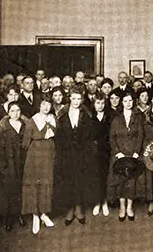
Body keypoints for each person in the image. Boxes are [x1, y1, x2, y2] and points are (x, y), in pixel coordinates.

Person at [56, 89, 96, 226]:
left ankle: (79, 209)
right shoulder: (62, 117)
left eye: (79, 99)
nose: (76, 102)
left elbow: (90, 137)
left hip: (81, 155)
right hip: (67, 156)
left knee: (80, 181)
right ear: (70, 99)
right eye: (74, 99)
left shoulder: (86, 116)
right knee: (68, 182)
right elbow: (59, 139)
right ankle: (69, 209)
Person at [21, 94, 56, 234]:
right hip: (35, 155)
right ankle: (35, 214)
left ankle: (44, 213)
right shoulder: (33, 120)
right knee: (34, 184)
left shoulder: (53, 118)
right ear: (39, 106)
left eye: (48, 104)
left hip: (49, 153)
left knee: (47, 183)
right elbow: (25, 143)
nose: (46, 107)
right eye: (43, 104)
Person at [108, 92, 145, 221]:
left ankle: (129, 207)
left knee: (131, 182)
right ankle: (122, 207)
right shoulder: (116, 118)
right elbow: (112, 137)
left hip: (133, 154)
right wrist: (118, 152)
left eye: (130, 101)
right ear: (121, 103)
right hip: (119, 155)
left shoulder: (138, 117)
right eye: (125, 101)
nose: (128, 103)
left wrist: (136, 152)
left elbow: (141, 136)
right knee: (120, 182)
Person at [0, 102, 26, 231]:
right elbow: (0, 152)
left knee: (19, 190)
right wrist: (3, 168)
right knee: (8, 192)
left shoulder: (24, 126)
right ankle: (8, 218)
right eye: (12, 111)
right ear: (8, 113)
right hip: (9, 164)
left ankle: (18, 214)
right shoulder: (4, 129)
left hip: (21, 163)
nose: (16, 113)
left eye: (18, 110)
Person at [90, 92, 112, 217]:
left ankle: (105, 202)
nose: (100, 106)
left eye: (102, 103)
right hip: (94, 152)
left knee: (105, 177)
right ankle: (97, 202)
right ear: (94, 104)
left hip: (107, 151)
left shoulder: (109, 117)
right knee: (96, 177)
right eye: (98, 103)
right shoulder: (90, 117)